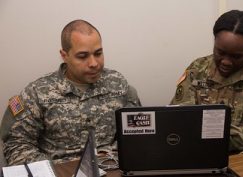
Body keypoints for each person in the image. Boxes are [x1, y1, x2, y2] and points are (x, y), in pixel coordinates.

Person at [0, 19, 141, 165]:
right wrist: (57, 170)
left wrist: (113, 158)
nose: (94, 63)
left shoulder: (117, 83)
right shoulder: (37, 93)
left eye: (98, 53)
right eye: (82, 56)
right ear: (64, 55)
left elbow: (137, 134)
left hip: (111, 167)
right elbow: (15, 145)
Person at [170, 10, 243, 153]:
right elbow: (177, 116)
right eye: (220, 52)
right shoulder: (198, 68)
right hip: (199, 152)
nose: (226, 62)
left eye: (236, 56)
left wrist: (209, 135)